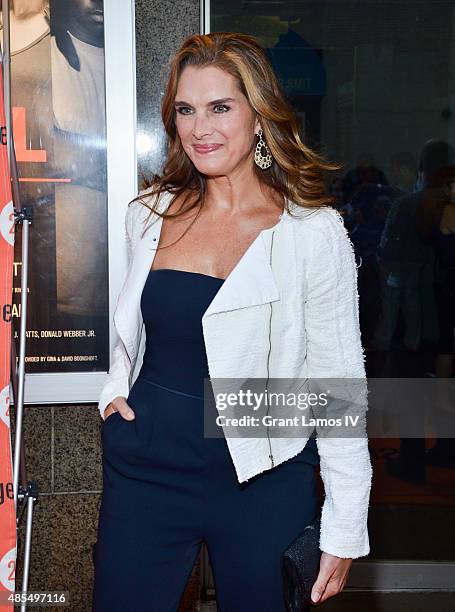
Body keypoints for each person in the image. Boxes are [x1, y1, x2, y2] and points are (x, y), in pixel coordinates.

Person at [92, 32, 372, 612]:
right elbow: (132, 324)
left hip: (262, 478)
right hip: (147, 467)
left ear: (259, 115)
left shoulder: (312, 235)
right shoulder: (147, 214)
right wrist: (115, 390)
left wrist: (345, 525)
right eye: (186, 110)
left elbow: (338, 391)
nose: (201, 128)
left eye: (221, 107)